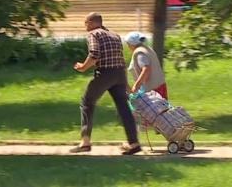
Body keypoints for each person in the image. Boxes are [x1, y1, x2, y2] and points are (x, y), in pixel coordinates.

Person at [70, 12, 142, 155]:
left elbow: (94, 54)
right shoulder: (114, 35)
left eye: (85, 23)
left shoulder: (93, 34)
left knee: (87, 102)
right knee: (124, 108)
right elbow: (120, 58)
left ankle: (85, 142)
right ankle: (134, 143)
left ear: (90, 23)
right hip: (119, 74)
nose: (85, 27)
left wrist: (83, 67)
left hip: (105, 73)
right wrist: (125, 82)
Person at [124, 31, 168, 99]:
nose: (128, 46)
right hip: (159, 85)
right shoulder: (147, 49)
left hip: (152, 91)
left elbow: (146, 69)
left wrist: (136, 86)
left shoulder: (139, 53)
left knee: (154, 109)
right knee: (162, 108)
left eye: (128, 44)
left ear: (131, 44)